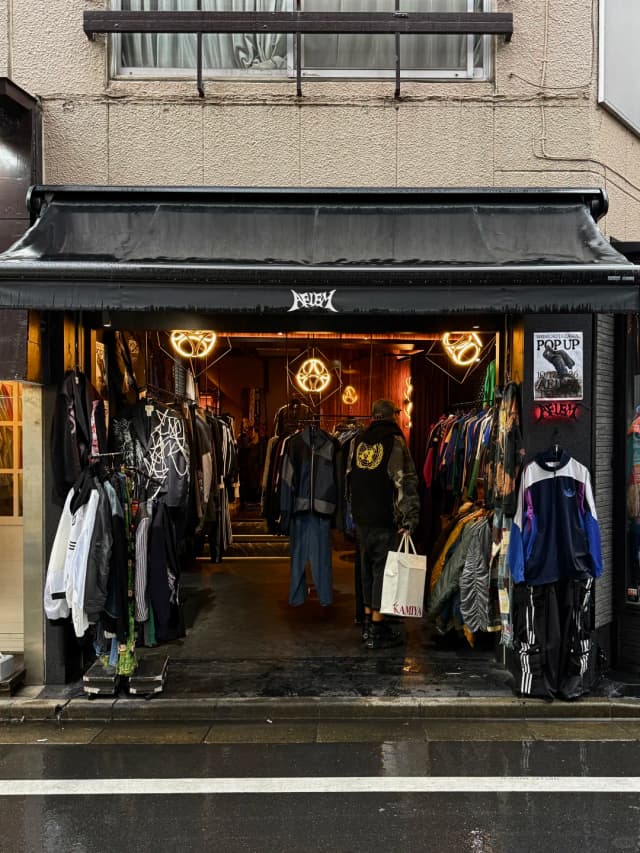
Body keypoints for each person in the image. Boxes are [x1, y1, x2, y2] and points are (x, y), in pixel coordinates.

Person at [347, 399, 420, 649]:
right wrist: (409, 517)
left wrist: (352, 514)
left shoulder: (358, 442)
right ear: (392, 417)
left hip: (361, 519)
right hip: (384, 518)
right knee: (382, 571)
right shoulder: (394, 442)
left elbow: (350, 478)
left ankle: (368, 621)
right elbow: (404, 482)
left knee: (366, 570)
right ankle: (378, 629)